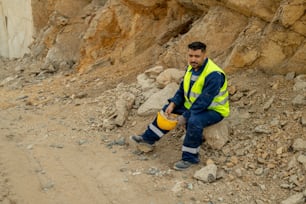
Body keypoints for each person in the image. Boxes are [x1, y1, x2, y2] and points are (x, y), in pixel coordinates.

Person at [130, 41, 230, 170]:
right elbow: (183, 90)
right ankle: (147, 139)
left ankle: (190, 158)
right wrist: (173, 103)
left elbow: (204, 101)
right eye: (190, 56)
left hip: (213, 110)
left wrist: (185, 116)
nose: (193, 59)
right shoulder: (191, 68)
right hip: (194, 106)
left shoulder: (214, 74)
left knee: (194, 121)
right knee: (167, 110)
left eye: (197, 56)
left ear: (204, 55)